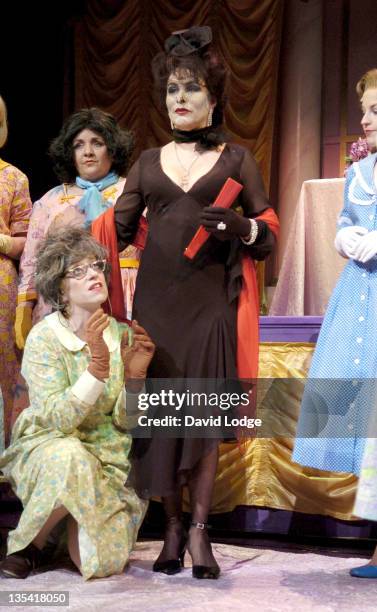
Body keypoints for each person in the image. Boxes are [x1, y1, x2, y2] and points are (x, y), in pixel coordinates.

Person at [109, 26, 279, 579]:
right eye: (172, 90)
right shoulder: (148, 161)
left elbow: (271, 233)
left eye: (191, 89)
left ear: (212, 98)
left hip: (211, 307)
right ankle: (172, 527)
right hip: (157, 306)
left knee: (201, 418)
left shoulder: (236, 159)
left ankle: (201, 532)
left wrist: (242, 226)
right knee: (161, 422)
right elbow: (117, 227)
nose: (179, 98)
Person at [0, 227, 155, 580]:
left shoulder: (122, 335)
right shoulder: (45, 338)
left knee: (97, 563)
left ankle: (65, 523)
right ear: (60, 287)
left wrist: (135, 380)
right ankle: (29, 546)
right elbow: (57, 419)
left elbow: (127, 424)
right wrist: (97, 369)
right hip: (49, 444)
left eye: (96, 267)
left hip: (108, 458)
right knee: (69, 458)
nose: (93, 275)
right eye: (78, 271)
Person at [292, 70, 377, 499]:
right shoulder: (359, 173)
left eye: (376, 111)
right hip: (359, 294)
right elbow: (346, 219)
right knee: (361, 413)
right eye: (364, 111)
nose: (365, 120)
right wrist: (344, 236)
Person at [15, 107, 140, 354]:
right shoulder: (50, 201)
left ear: (113, 149)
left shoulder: (134, 192)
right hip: (63, 304)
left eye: (98, 143)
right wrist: (24, 307)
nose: (88, 152)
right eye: (79, 145)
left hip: (126, 298)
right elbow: (31, 260)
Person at [0, 95, 32, 450]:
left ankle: (6, 457)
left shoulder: (13, 178)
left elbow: (24, 239)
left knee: (5, 365)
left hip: (1, 281)